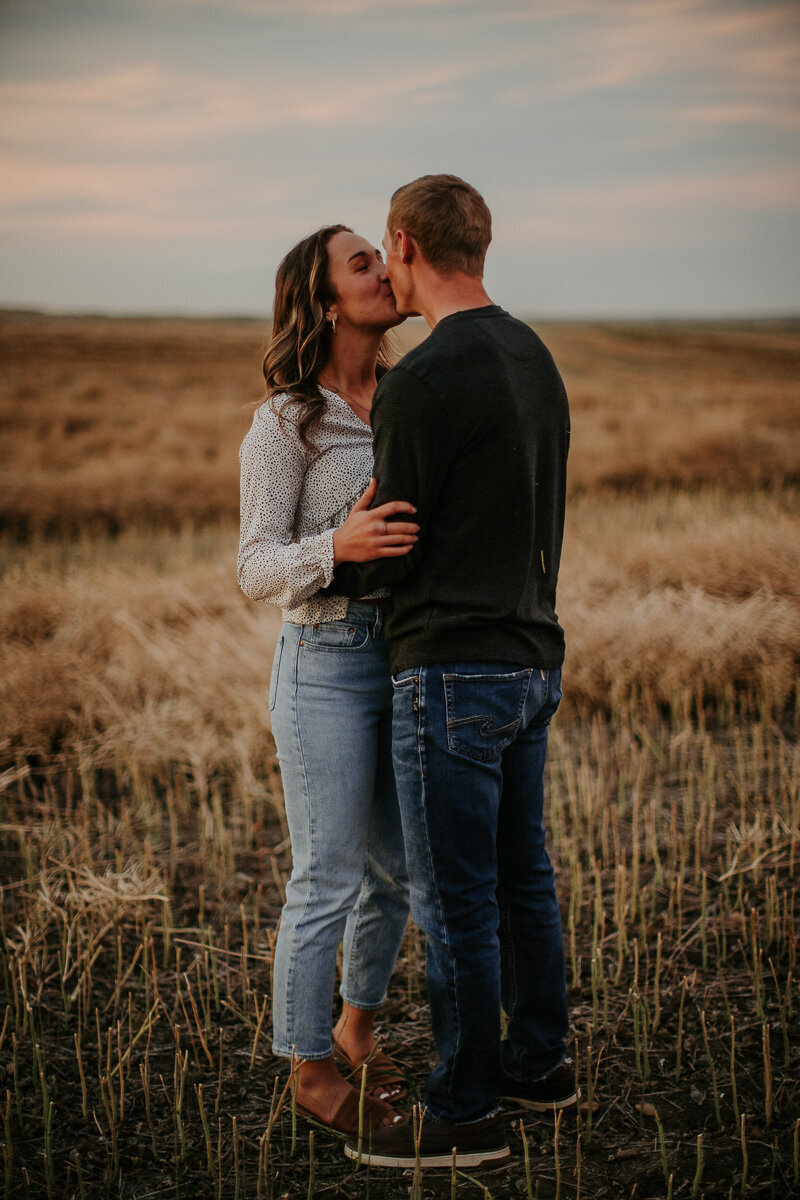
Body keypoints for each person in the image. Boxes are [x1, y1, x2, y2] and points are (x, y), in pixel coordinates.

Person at [321, 175, 575, 1169]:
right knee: (522, 878)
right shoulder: (534, 357)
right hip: (529, 661)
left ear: (405, 245)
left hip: (450, 673)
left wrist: (339, 554)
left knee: (453, 896)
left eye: (386, 256)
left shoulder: (422, 380)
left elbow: (395, 546)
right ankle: (539, 1065)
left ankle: (464, 1108)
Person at [237, 225, 420, 1137]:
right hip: (326, 664)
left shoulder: (405, 397)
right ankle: (309, 1069)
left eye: (382, 259)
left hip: (409, 656)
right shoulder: (287, 421)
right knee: (328, 876)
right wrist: (334, 547)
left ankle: (356, 1027)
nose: (384, 271)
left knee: (396, 874)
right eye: (363, 263)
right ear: (322, 299)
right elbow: (254, 566)